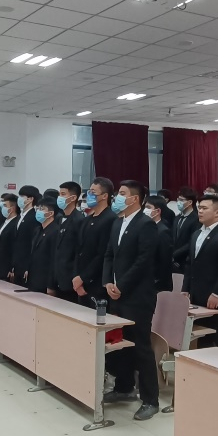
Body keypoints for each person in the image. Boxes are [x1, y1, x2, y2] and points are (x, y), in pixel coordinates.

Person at [102, 181, 161, 421]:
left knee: (140, 346)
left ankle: (150, 399)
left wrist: (122, 285)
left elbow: (144, 260)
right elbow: (109, 254)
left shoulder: (146, 224)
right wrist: (108, 282)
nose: (117, 197)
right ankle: (124, 387)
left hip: (137, 296)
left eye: (122, 193)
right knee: (120, 343)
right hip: (116, 294)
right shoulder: (118, 222)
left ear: (134, 199)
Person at [182, 193, 218, 351]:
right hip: (196, 294)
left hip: (216, 295)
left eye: (204, 208)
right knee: (203, 337)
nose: (200, 211)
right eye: (199, 208)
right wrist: (185, 289)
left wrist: (217, 293)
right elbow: (190, 264)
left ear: (217, 212)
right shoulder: (196, 233)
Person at [70, 178, 116, 307]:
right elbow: (78, 250)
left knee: (98, 316)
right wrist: (76, 277)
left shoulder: (110, 219)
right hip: (80, 283)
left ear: (104, 196)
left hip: (97, 283)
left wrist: (83, 278)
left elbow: (103, 254)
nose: (89, 194)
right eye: (89, 191)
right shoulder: (87, 219)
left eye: (93, 192)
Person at [26, 198, 60, 294]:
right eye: (38, 208)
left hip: (45, 281)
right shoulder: (38, 230)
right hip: (34, 278)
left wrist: (51, 285)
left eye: (42, 209)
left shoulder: (55, 231)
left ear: (50, 213)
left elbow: (54, 259)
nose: (38, 211)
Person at [143, 195, 175, 292]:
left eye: (148, 207)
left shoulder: (163, 231)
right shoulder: (146, 227)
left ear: (157, 211)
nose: (145, 210)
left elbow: (165, 260)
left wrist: (156, 279)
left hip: (158, 282)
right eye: (145, 207)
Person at [11, 186, 41, 286]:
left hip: (25, 264)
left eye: (22, 196)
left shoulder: (34, 217)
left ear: (30, 199)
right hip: (17, 262)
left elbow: (32, 243)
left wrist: (28, 266)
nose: (19, 199)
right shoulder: (20, 216)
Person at [170, 187, 200, 273]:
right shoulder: (177, 217)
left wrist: (176, 254)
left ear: (190, 202)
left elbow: (192, 241)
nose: (178, 202)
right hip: (173, 259)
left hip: (186, 259)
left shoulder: (196, 219)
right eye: (178, 199)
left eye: (181, 200)